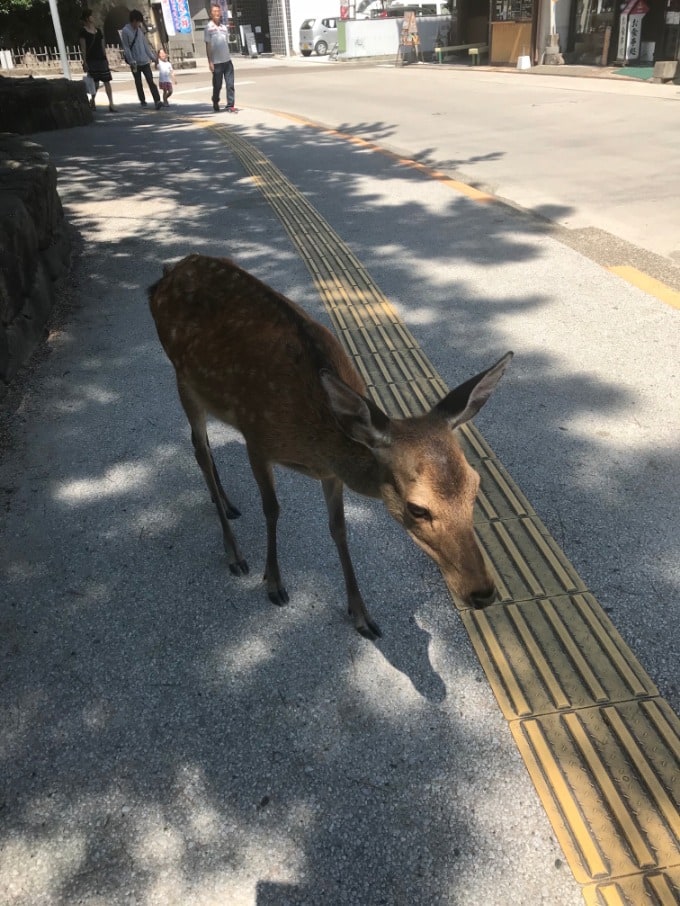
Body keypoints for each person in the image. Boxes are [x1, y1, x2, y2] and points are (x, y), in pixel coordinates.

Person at [120, 9, 162, 110]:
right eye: (138, 22)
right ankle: (142, 100)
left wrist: (152, 57)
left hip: (144, 61)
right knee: (138, 82)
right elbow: (126, 47)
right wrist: (131, 60)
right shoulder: (125, 31)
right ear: (133, 20)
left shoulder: (139, 31)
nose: (139, 24)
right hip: (134, 63)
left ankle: (157, 100)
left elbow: (145, 45)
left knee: (150, 80)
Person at [79, 10, 116, 112]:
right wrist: (85, 61)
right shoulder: (83, 32)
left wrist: (105, 57)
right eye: (91, 16)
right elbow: (83, 48)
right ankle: (93, 100)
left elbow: (102, 46)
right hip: (91, 60)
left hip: (101, 59)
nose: (93, 17)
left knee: (107, 81)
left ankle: (111, 103)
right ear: (87, 18)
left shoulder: (98, 31)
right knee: (95, 83)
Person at [204, 4, 237, 113]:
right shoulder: (208, 27)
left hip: (227, 61)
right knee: (217, 85)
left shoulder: (224, 27)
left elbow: (225, 43)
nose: (217, 13)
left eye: (218, 11)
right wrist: (210, 61)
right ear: (211, 14)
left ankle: (230, 105)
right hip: (216, 62)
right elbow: (208, 46)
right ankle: (215, 100)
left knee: (230, 84)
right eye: (214, 11)